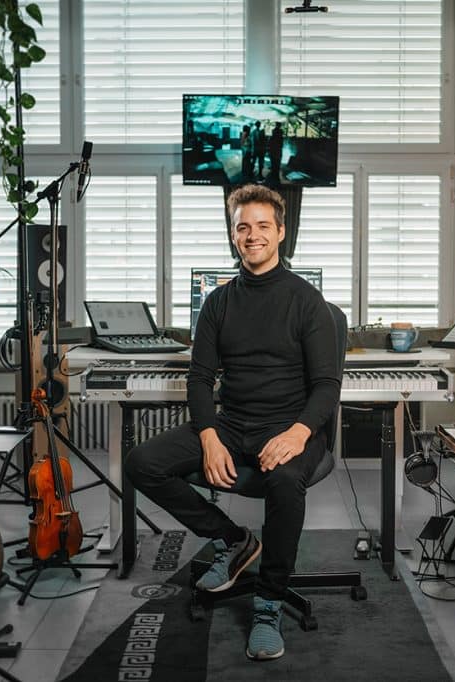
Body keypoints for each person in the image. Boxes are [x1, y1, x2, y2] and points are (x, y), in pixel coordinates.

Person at [125, 184, 340, 661]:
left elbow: (327, 385)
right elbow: (199, 380)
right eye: (243, 226)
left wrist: (298, 434)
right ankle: (233, 540)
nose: (252, 235)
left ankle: (268, 603)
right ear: (232, 234)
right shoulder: (218, 303)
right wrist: (209, 437)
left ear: (281, 232)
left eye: (263, 226)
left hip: (291, 428)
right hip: (234, 422)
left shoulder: (308, 302)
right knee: (142, 462)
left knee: (285, 481)